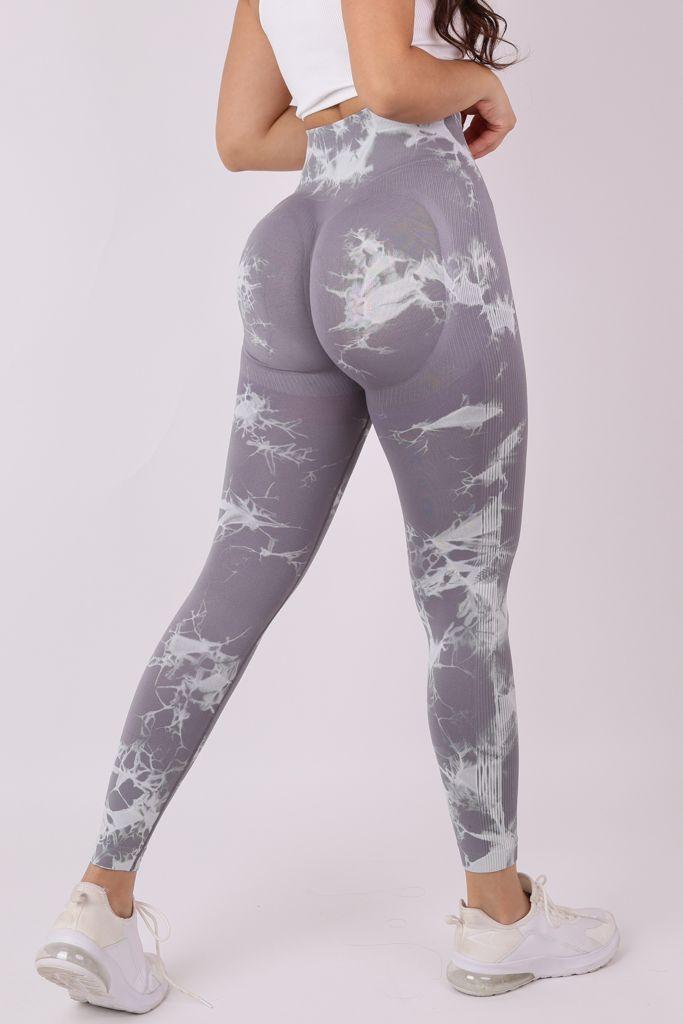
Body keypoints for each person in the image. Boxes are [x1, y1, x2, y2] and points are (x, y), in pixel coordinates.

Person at [35, 0, 619, 1011]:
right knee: (461, 590)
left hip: (295, 241)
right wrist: (477, 85)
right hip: (410, 233)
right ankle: (498, 917)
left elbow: (241, 138)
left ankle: (99, 901)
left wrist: (349, 119)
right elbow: (389, 81)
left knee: (234, 574)